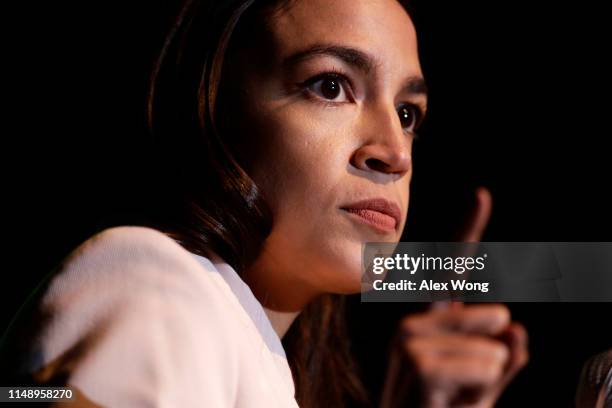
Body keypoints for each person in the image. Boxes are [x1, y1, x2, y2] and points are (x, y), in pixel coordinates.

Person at [0, 0, 528, 406]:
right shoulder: (161, 282)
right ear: (212, 114)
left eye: (408, 114)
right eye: (330, 85)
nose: (394, 153)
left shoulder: (256, 358)